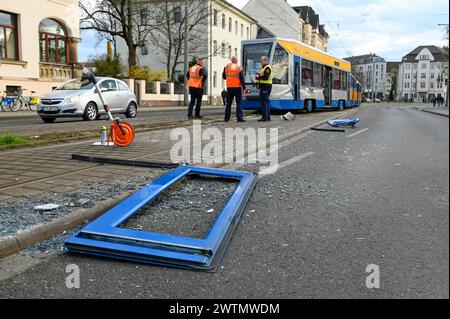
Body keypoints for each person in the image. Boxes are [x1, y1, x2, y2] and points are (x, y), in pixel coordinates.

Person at [223, 56, 246, 122]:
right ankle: (239, 118)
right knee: (239, 103)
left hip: (229, 88)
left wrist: (230, 79)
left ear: (231, 60)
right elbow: (242, 78)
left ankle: (226, 118)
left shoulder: (226, 67)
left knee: (228, 103)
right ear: (236, 61)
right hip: (237, 88)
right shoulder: (239, 68)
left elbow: (224, 76)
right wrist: (244, 87)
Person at [255, 56, 272, 122]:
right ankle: (267, 117)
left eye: (261, 60)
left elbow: (266, 77)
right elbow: (260, 75)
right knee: (265, 102)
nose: (260, 62)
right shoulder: (264, 68)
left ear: (265, 61)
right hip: (264, 86)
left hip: (266, 87)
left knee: (264, 102)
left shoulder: (267, 68)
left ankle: (265, 117)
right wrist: (258, 75)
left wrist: (258, 76)